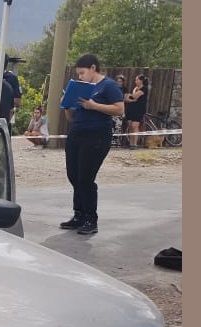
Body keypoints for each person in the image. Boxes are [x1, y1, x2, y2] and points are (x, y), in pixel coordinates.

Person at [61, 53, 124, 235]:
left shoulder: (108, 86)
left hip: (96, 135)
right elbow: (70, 117)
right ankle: (78, 214)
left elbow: (120, 109)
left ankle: (90, 218)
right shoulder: (80, 88)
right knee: (73, 175)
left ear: (93, 69)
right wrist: (67, 105)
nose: (80, 77)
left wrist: (94, 106)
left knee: (85, 178)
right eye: (78, 74)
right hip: (77, 132)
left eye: (82, 73)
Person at [124, 74, 150, 148]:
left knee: (135, 126)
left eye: (137, 79)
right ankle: (130, 143)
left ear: (141, 80)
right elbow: (126, 98)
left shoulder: (144, 89)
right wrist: (131, 98)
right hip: (130, 109)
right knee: (130, 126)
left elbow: (134, 96)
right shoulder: (135, 88)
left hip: (138, 110)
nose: (135, 81)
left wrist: (130, 97)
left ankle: (134, 144)